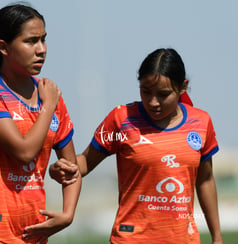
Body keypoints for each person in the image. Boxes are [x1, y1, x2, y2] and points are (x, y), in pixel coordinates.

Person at [50, 48, 223, 243]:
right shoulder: (121, 119)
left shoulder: (201, 122)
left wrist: (217, 237)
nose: (153, 102)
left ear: (183, 87)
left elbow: (205, 180)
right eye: (146, 92)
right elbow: (84, 163)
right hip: (132, 237)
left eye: (163, 94)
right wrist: (64, 168)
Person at [0, 3, 82, 243]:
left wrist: (68, 214)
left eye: (43, 40)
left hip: (32, 230)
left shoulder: (49, 96)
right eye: (31, 41)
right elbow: (24, 151)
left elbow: (71, 168)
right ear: (3, 47)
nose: (41, 49)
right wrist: (47, 107)